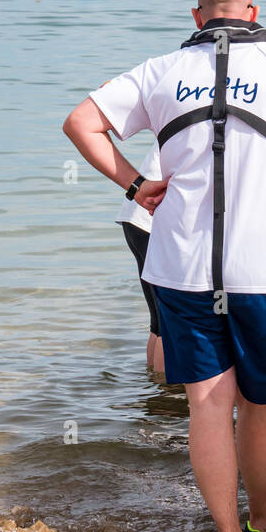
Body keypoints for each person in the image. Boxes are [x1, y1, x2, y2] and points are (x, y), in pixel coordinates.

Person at [63, 0, 266, 532]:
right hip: (263, 271)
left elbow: (80, 122)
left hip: (182, 268)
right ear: (252, 12)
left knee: (206, 405)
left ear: (197, 18)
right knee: (260, 404)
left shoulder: (160, 69)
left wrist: (136, 183)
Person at [116, 142, 165, 373]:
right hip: (152, 219)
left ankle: (156, 387)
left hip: (135, 218)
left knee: (158, 321)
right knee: (170, 323)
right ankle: (169, 394)